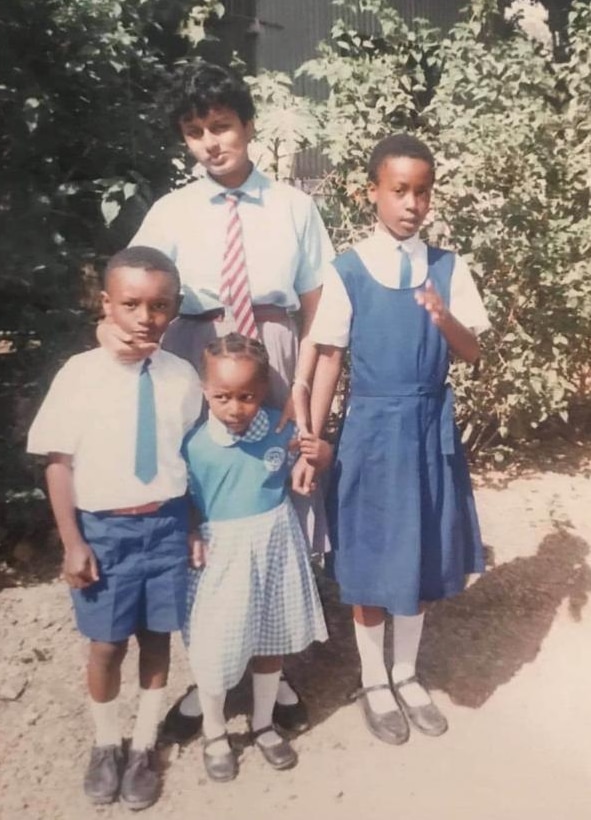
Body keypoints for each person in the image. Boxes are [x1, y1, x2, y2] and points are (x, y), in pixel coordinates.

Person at [99, 60, 334, 736]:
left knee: (273, 502)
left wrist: (312, 401)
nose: (210, 142)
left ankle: (271, 659)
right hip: (195, 359)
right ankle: (209, 666)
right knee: (204, 504)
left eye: (221, 126)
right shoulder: (172, 210)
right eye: (195, 131)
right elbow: (128, 291)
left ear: (248, 125)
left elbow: (320, 309)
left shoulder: (294, 207)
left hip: (275, 354)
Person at [299, 133, 489, 744]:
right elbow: (329, 358)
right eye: (399, 190)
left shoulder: (448, 267)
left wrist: (442, 315)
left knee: (422, 550)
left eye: (422, 191)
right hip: (374, 432)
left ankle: (407, 675)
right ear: (372, 192)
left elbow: (473, 351)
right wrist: (316, 439)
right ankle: (374, 680)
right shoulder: (349, 268)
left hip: (429, 427)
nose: (411, 203)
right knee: (373, 554)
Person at [27, 247, 202, 808]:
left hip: (167, 525)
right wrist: (73, 542)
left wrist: (194, 526)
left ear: (174, 311)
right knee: (106, 645)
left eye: (159, 306)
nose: (145, 317)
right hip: (104, 531)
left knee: (157, 640)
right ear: (107, 305)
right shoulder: (80, 375)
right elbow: (60, 463)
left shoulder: (182, 376)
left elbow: (191, 458)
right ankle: (107, 743)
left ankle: (145, 744)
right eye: (131, 304)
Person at [182, 333, 329, 781]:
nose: (234, 407)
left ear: (263, 391)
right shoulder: (194, 444)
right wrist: (189, 530)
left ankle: (264, 722)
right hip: (222, 556)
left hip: (274, 547)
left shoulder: (281, 429)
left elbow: (316, 457)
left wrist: (319, 454)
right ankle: (214, 730)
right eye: (222, 396)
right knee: (215, 646)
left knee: (272, 641)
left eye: (246, 396)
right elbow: (183, 498)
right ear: (205, 391)